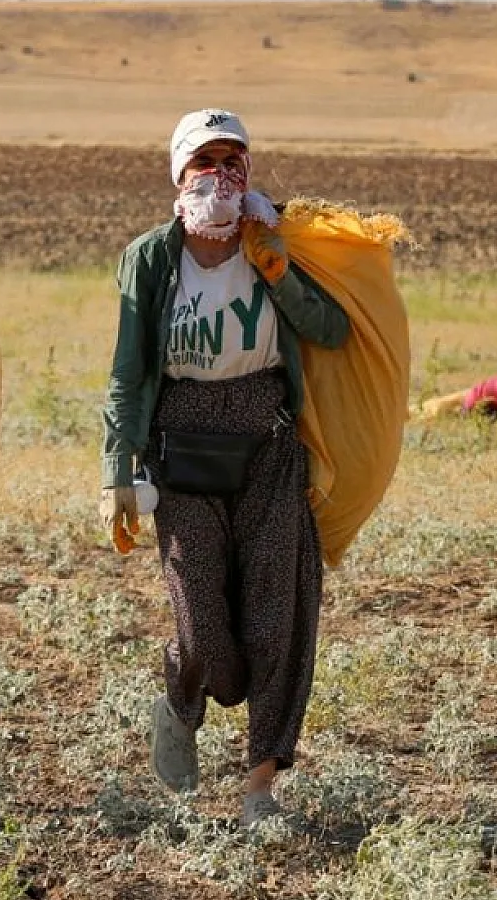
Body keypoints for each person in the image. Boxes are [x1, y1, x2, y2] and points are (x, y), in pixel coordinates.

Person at [100, 108, 349, 830]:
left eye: (232, 162)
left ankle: (260, 789)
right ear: (178, 177)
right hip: (181, 452)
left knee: (279, 614)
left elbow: (329, 330)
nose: (220, 177)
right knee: (204, 621)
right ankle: (183, 695)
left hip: (270, 448)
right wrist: (118, 464)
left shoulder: (274, 244)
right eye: (203, 163)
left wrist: (279, 270)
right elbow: (126, 371)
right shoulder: (151, 257)